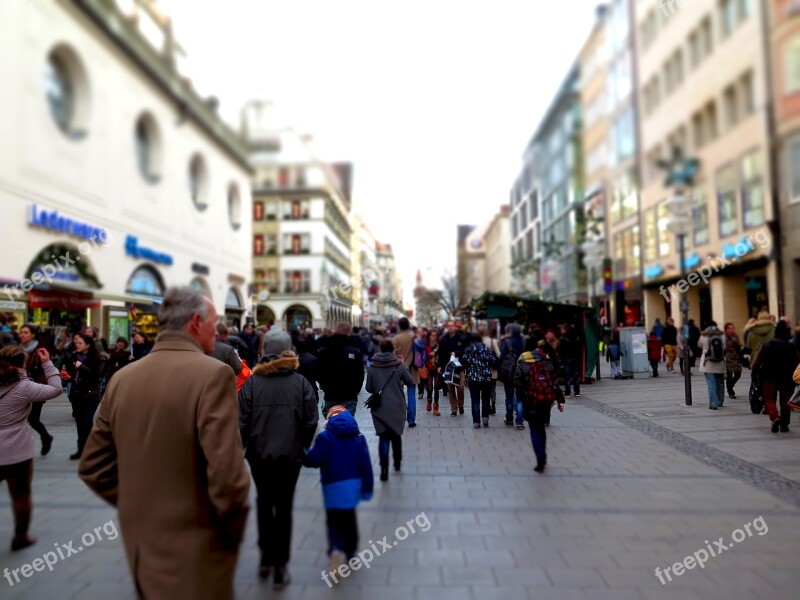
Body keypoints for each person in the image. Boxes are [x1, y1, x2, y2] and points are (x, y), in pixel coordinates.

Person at [79, 287, 251, 600]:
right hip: (196, 547)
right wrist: (228, 532)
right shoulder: (214, 374)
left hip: (142, 544)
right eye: (214, 321)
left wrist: (142, 507)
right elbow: (228, 476)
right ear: (197, 322)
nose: (218, 328)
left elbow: (93, 466)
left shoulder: (123, 378)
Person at [238, 349, 318, 589]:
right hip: (290, 456)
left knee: (264, 501)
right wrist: (302, 444)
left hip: (259, 455)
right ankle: (280, 565)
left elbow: (241, 420)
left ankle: (265, 557)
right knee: (284, 506)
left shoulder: (252, 383)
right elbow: (311, 420)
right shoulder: (300, 382)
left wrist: (245, 447)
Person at [0, 346, 62, 551]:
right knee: (21, 495)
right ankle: (20, 537)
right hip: (16, 449)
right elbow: (55, 389)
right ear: (23, 364)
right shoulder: (24, 387)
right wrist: (47, 364)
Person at [305, 404, 373, 574]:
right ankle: (350, 553)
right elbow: (366, 466)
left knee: (333, 521)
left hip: (332, 486)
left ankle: (335, 549)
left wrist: (305, 451)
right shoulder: (358, 438)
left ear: (329, 420)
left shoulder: (325, 438)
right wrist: (367, 488)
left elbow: (314, 460)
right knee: (350, 520)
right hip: (352, 486)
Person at [366, 340, 413, 481]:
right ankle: (397, 463)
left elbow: (369, 388)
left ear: (380, 348)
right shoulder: (398, 365)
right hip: (397, 406)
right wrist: (403, 365)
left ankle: (384, 469)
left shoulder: (373, 365)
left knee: (383, 437)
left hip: (380, 407)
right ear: (393, 349)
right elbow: (410, 380)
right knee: (396, 435)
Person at [516, 341, 563, 473]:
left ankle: (539, 459)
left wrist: (521, 398)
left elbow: (517, 382)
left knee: (534, 429)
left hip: (530, 400)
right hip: (545, 401)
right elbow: (554, 382)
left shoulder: (523, 360)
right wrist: (560, 400)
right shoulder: (547, 361)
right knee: (541, 426)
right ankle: (543, 455)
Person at [752, 321, 799, 433]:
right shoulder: (791, 347)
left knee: (769, 400)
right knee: (785, 402)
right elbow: (797, 362)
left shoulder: (767, 345)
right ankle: (784, 425)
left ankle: (775, 417)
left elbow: (757, 362)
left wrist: (754, 374)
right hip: (786, 378)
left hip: (769, 377)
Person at [65, 334, 102, 459]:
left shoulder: (96, 357)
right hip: (77, 394)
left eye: (80, 343)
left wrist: (82, 367)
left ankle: (94, 447)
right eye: (76, 342)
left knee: (87, 421)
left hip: (91, 395)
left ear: (88, 345)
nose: (77, 345)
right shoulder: (74, 356)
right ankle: (81, 449)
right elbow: (71, 372)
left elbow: (96, 376)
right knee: (80, 423)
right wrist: (66, 376)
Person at [317, 322, 365, 417]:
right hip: (349, 396)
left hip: (330, 395)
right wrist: (355, 391)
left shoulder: (324, 350)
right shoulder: (354, 351)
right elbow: (360, 374)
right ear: (348, 333)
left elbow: (319, 373)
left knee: (332, 424)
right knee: (347, 425)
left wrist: (325, 387)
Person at [18, 324, 53, 456]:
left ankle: (46, 437)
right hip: (19, 389)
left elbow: (46, 369)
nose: (22, 334)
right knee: (20, 419)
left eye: (26, 332)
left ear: (32, 335)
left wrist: (36, 383)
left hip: (36, 389)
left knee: (33, 419)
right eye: (21, 332)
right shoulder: (17, 350)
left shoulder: (40, 351)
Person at [461, 333, 497, 429]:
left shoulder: (468, 350)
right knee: (485, 399)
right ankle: (485, 418)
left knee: (475, 400)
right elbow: (494, 361)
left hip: (473, 378)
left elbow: (464, 361)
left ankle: (476, 422)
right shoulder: (486, 349)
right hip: (486, 378)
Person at [390, 317, 419, 427]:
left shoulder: (396, 338)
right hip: (412, 368)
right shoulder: (414, 337)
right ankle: (411, 420)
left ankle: (398, 418)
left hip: (399, 368)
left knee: (398, 394)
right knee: (411, 395)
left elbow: (392, 354)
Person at [438, 321, 467, 416]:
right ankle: (454, 408)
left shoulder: (461, 337)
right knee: (450, 388)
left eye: (452, 326)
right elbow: (440, 353)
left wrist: (456, 353)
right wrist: (440, 366)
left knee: (460, 387)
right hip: (448, 367)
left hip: (459, 366)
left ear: (455, 327)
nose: (450, 327)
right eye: (449, 326)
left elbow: (466, 351)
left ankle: (461, 404)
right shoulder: (444, 339)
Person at [498, 323, 524, 429]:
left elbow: (502, 357)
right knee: (519, 398)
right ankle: (519, 421)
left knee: (509, 397)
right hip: (522, 372)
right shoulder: (523, 342)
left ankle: (509, 418)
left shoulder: (507, 342)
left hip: (509, 373)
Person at [698, 321, 726, 410]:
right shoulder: (722, 336)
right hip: (720, 363)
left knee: (711, 383)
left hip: (708, 363)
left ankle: (713, 404)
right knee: (720, 382)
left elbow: (699, 345)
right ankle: (720, 402)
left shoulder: (704, 336)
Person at [481, 327, 501, 415]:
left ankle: (486, 406)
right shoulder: (493, 341)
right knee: (492, 389)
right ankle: (493, 406)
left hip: (482, 371)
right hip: (493, 370)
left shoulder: (479, 342)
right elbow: (499, 354)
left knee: (484, 389)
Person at [558, 324, 581, 398]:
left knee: (567, 376)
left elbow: (560, 350)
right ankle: (577, 392)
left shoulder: (562, 338)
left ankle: (568, 393)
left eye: (561, 329)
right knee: (576, 375)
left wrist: (561, 359)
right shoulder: (575, 337)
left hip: (567, 357)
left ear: (564, 329)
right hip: (575, 358)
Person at [723, 323, 743, 399]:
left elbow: (739, 346)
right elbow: (724, 348)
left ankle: (730, 385)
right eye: (731, 328)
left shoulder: (735, 335)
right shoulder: (724, 337)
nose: (733, 329)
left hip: (737, 357)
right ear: (727, 329)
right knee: (729, 375)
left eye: (733, 328)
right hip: (729, 357)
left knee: (738, 374)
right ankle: (730, 391)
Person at [423, 331, 441, 415]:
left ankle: (436, 408)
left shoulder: (439, 345)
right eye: (432, 335)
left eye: (435, 335)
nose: (434, 337)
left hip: (437, 368)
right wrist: (430, 355)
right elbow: (423, 356)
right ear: (429, 336)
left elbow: (442, 355)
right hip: (428, 367)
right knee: (429, 387)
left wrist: (436, 353)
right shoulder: (425, 345)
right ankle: (429, 401)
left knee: (436, 387)